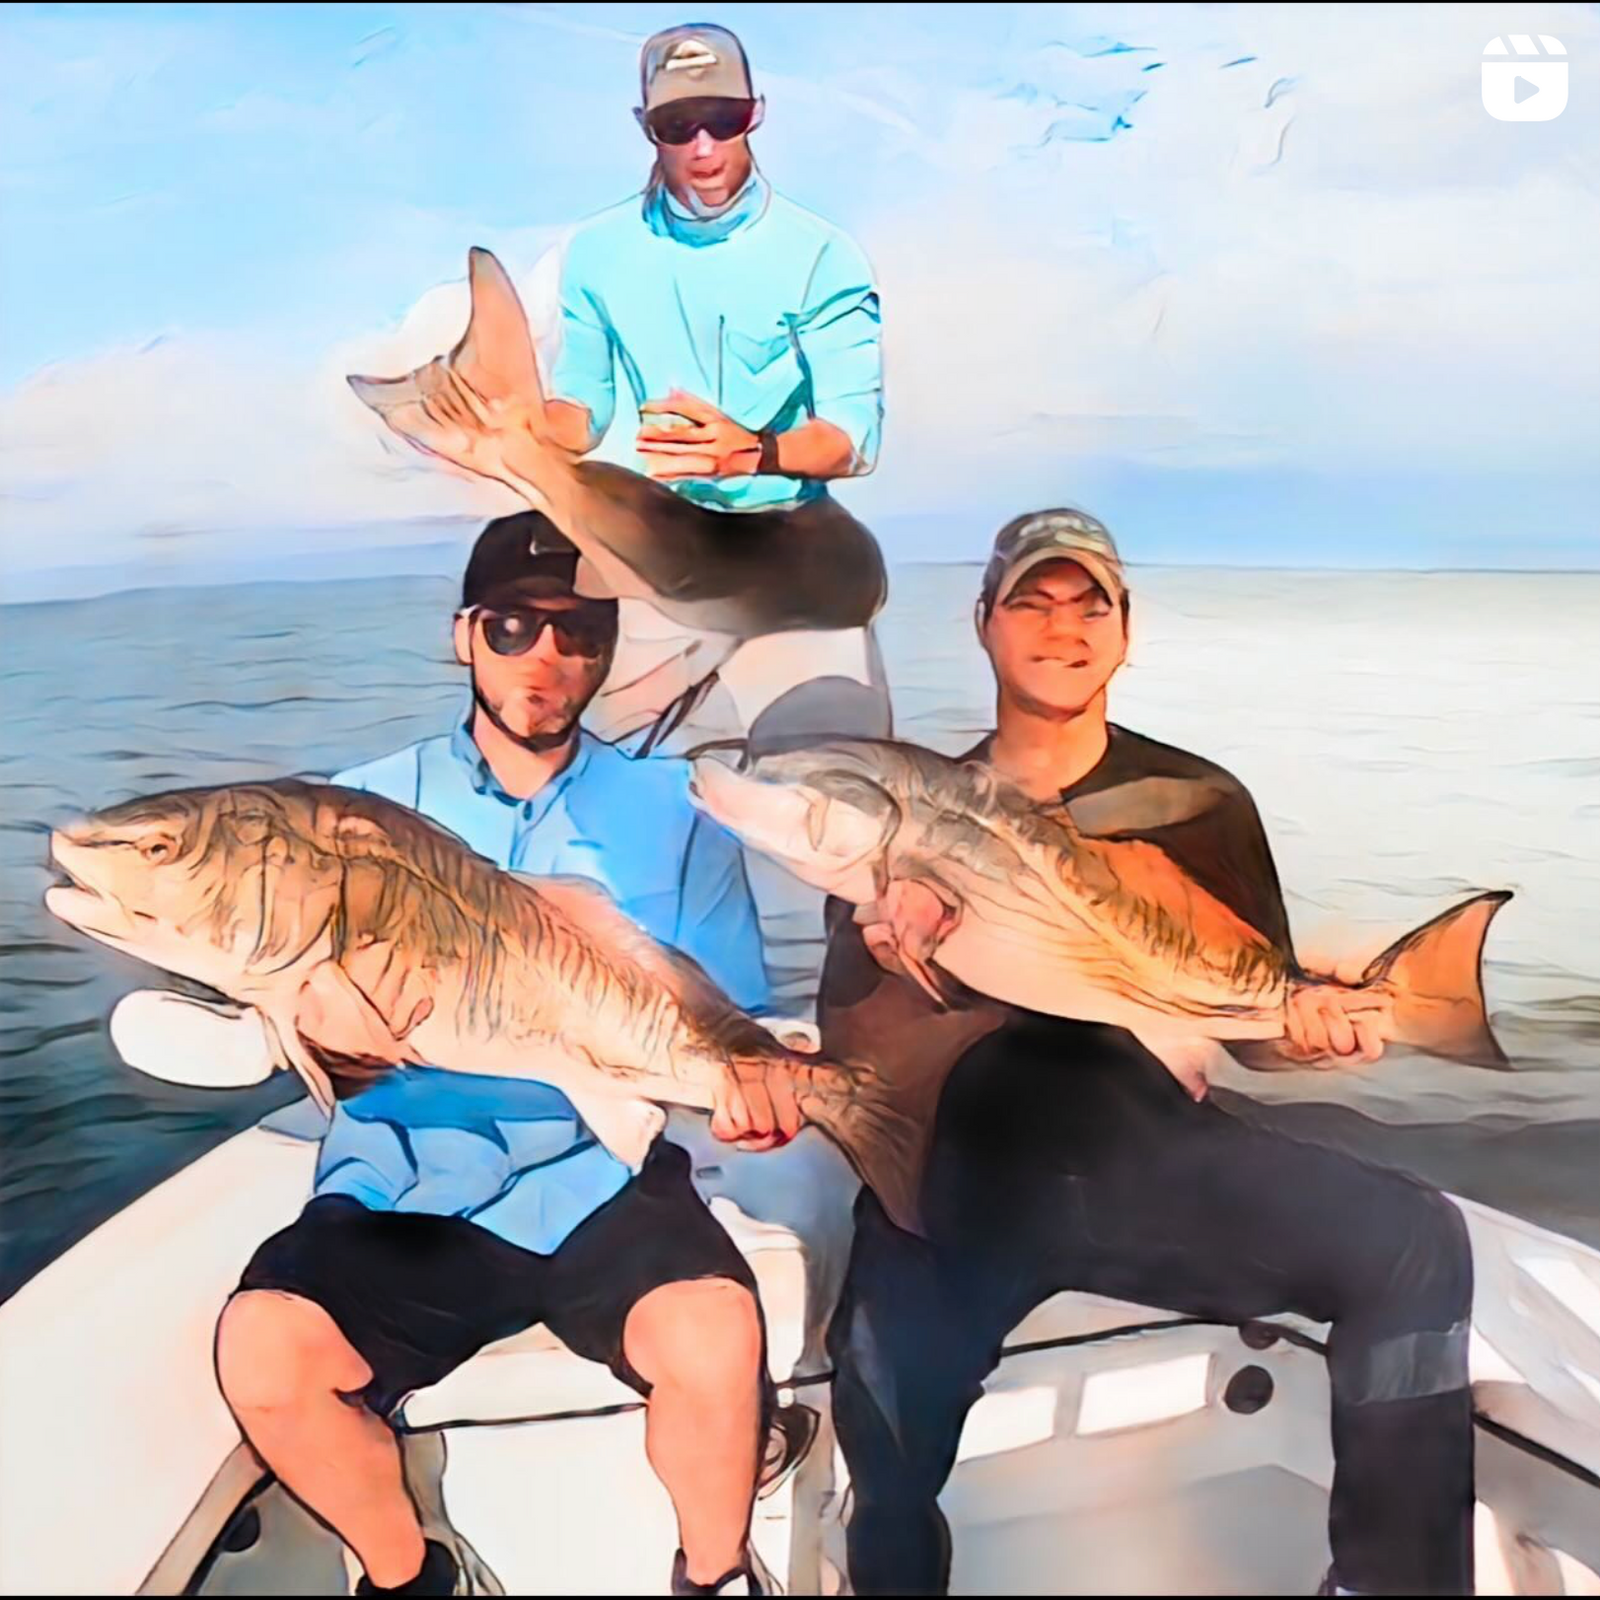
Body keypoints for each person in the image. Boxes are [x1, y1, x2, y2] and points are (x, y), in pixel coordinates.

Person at [117, 513, 809, 1597]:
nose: (546, 655)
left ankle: (717, 1577)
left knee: (717, 1332)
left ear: (609, 648)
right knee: (264, 1351)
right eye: (513, 626)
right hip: (406, 1188)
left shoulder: (674, 812)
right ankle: (413, 1575)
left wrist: (754, 1094)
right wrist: (339, 1047)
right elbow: (296, 1009)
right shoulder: (354, 811)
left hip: (597, 1177)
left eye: (579, 632)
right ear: (463, 634)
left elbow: (730, 1024)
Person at [820, 510, 1476, 1597]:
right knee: (879, 1422)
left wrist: (1314, 1036)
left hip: (1152, 1159)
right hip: (962, 1183)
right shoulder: (911, 813)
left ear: (1126, 632)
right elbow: (861, 1049)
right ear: (983, 622)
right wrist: (899, 952)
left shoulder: (1194, 803)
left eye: (1091, 606)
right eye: (1033, 601)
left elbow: (1252, 1017)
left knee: (1417, 1241)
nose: (1063, 628)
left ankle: (1388, 1581)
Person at [535, 21, 892, 757]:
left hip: (790, 561)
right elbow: (583, 407)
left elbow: (853, 437)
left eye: (722, 121)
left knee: (840, 792)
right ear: (646, 128)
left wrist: (753, 453)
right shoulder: (596, 252)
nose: (702, 148)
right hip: (651, 554)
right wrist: (510, 429)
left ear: (754, 114)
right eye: (677, 126)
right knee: (588, 784)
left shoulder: (822, 254)